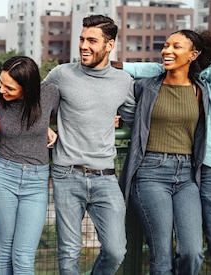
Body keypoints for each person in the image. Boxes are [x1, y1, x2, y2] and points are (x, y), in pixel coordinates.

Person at [42, 15, 135, 274]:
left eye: (92, 41)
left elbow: (134, 119)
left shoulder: (123, 81)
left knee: (116, 250)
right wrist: (45, 126)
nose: (84, 45)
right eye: (82, 39)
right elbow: (35, 107)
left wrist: (115, 120)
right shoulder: (61, 74)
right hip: (66, 174)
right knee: (69, 252)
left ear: (109, 45)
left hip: (106, 177)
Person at [116, 29, 211, 270]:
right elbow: (119, 94)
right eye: (166, 45)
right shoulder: (146, 87)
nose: (167, 51)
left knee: (192, 252)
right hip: (151, 172)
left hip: (187, 176)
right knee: (161, 256)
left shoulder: (201, 89)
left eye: (176, 47)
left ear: (193, 55)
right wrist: (111, 114)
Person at [0, 56, 59, 274]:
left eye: (9, 87)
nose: (1, 90)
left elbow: (68, 117)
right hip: (3, 176)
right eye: (0, 82)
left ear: (27, 87)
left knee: (24, 256)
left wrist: (48, 127)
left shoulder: (49, 93)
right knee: (5, 251)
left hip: (37, 182)